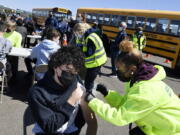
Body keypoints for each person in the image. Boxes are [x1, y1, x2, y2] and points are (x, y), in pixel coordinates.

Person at [85, 40, 180, 135]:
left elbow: (119, 117)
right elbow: (126, 104)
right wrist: (108, 94)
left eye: (119, 69)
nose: (118, 71)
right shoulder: (139, 80)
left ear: (132, 69)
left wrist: (92, 101)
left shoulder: (145, 90)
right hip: (160, 127)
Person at [28, 46, 97, 135]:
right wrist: (71, 101)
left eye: (75, 71)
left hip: (71, 130)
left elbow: (91, 120)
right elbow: (50, 126)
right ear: (55, 67)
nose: (71, 75)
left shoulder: (76, 81)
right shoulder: (37, 92)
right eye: (68, 70)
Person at [73, 23, 107, 93]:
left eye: (76, 33)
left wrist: (78, 53)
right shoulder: (87, 35)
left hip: (96, 62)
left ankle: (88, 96)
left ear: (80, 31)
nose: (76, 35)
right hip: (94, 62)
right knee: (87, 78)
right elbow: (82, 45)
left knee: (89, 82)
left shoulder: (90, 38)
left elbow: (89, 53)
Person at [3, 20, 22, 86]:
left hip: (13, 55)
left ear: (14, 27)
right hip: (4, 54)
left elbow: (17, 47)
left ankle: (12, 81)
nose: (7, 28)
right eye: (7, 26)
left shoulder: (18, 35)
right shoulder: (4, 34)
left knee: (12, 68)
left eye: (9, 27)